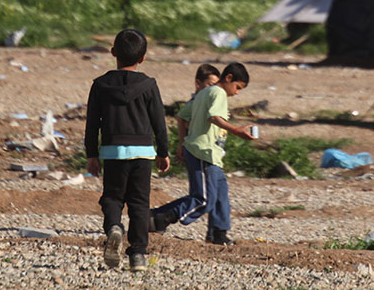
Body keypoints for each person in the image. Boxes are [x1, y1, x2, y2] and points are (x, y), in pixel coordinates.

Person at [84, 29, 170, 272]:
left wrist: (92, 154)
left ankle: (113, 227)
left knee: (112, 197)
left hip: (112, 152)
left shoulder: (100, 85)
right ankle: (138, 256)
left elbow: (92, 124)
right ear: (142, 58)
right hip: (143, 152)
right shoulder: (149, 85)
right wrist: (163, 152)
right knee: (139, 204)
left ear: (113, 53)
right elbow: (159, 122)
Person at [150, 62, 255, 245]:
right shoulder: (218, 93)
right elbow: (214, 117)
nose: (237, 92)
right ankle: (161, 217)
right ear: (228, 78)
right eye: (237, 87)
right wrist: (237, 130)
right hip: (203, 152)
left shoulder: (204, 93)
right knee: (204, 198)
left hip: (209, 153)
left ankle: (218, 233)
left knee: (221, 193)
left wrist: (182, 143)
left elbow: (182, 116)